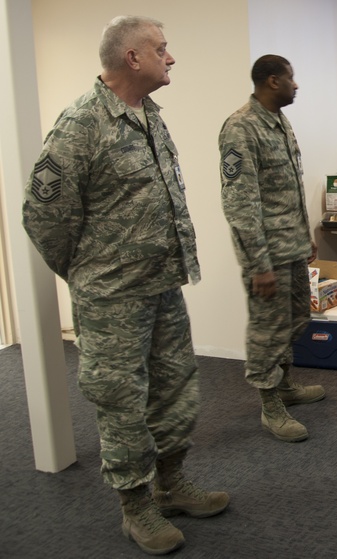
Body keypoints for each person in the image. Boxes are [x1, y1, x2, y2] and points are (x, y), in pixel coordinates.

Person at [22, 16, 227, 555]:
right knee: (121, 402)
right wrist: (89, 273)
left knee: (175, 390)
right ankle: (136, 508)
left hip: (162, 285)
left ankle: (172, 484)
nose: (172, 57)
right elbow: (43, 218)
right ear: (132, 58)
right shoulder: (80, 126)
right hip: (111, 298)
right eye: (163, 48)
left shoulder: (149, 116)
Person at [219, 55, 325, 443]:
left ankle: (284, 384)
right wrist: (258, 264)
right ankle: (270, 405)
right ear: (272, 81)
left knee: (296, 319)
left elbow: (287, 189)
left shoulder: (279, 121)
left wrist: (304, 234)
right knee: (267, 329)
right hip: (266, 255)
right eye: (291, 79)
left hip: (291, 245)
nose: (296, 85)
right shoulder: (240, 128)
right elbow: (240, 204)